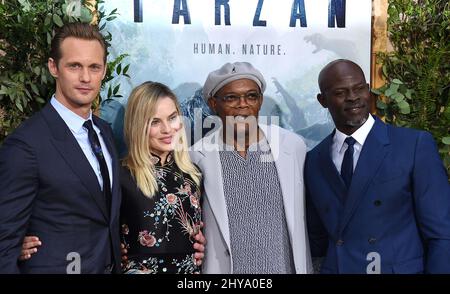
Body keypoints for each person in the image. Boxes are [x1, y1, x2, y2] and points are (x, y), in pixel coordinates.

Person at [305, 59, 450, 274]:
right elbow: (316, 240)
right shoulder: (314, 159)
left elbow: (442, 234)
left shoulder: (414, 145)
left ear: (368, 90)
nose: (353, 97)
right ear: (322, 100)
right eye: (340, 92)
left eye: (359, 88)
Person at [0, 22, 122, 273]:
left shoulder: (105, 133)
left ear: (104, 71)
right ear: (54, 67)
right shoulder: (26, 144)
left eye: (94, 67)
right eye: (74, 66)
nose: (86, 77)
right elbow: (4, 242)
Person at [189, 62, 313, 274]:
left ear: (260, 101)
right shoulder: (195, 156)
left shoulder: (292, 146)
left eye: (251, 96)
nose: (242, 104)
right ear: (213, 103)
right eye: (231, 98)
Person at [119, 81, 204, 274]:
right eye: (155, 122)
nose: (167, 129)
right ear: (138, 125)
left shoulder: (194, 175)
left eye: (172, 118)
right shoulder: (121, 174)